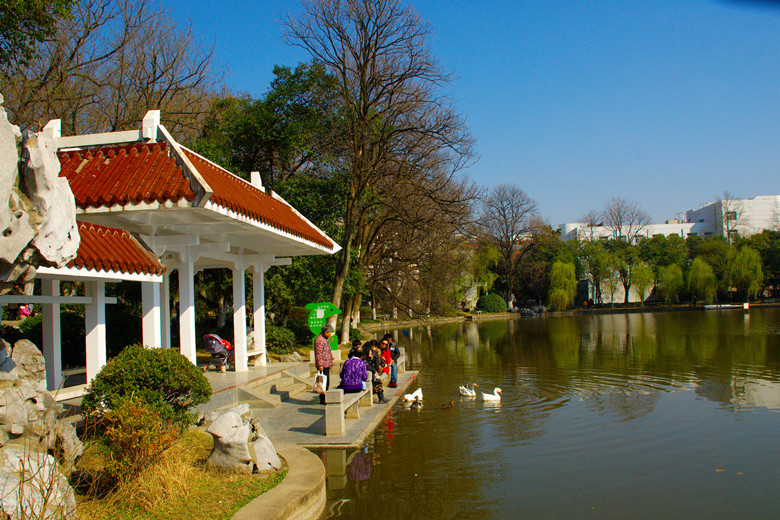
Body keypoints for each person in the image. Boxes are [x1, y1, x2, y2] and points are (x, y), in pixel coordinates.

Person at [314, 324, 335, 404]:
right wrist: (320, 365)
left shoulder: (324, 339)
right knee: (323, 383)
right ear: (325, 332)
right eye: (330, 332)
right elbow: (318, 353)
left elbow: (325, 351)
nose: (330, 334)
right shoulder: (319, 340)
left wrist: (330, 356)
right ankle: (323, 398)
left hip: (327, 362)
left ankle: (325, 397)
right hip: (323, 364)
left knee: (326, 381)